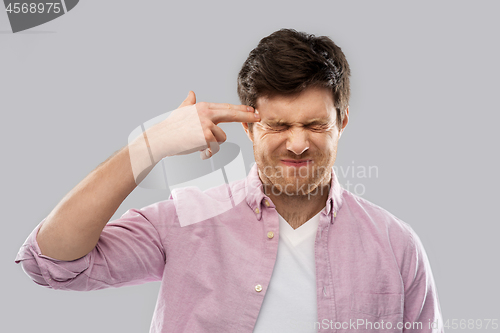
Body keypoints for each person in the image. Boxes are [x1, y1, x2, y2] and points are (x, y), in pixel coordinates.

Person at [15, 28, 443, 332]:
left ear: (342, 123)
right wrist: (150, 145)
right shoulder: (187, 219)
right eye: (278, 125)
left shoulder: (396, 245)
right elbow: (52, 260)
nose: (297, 144)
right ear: (249, 126)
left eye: (314, 124)